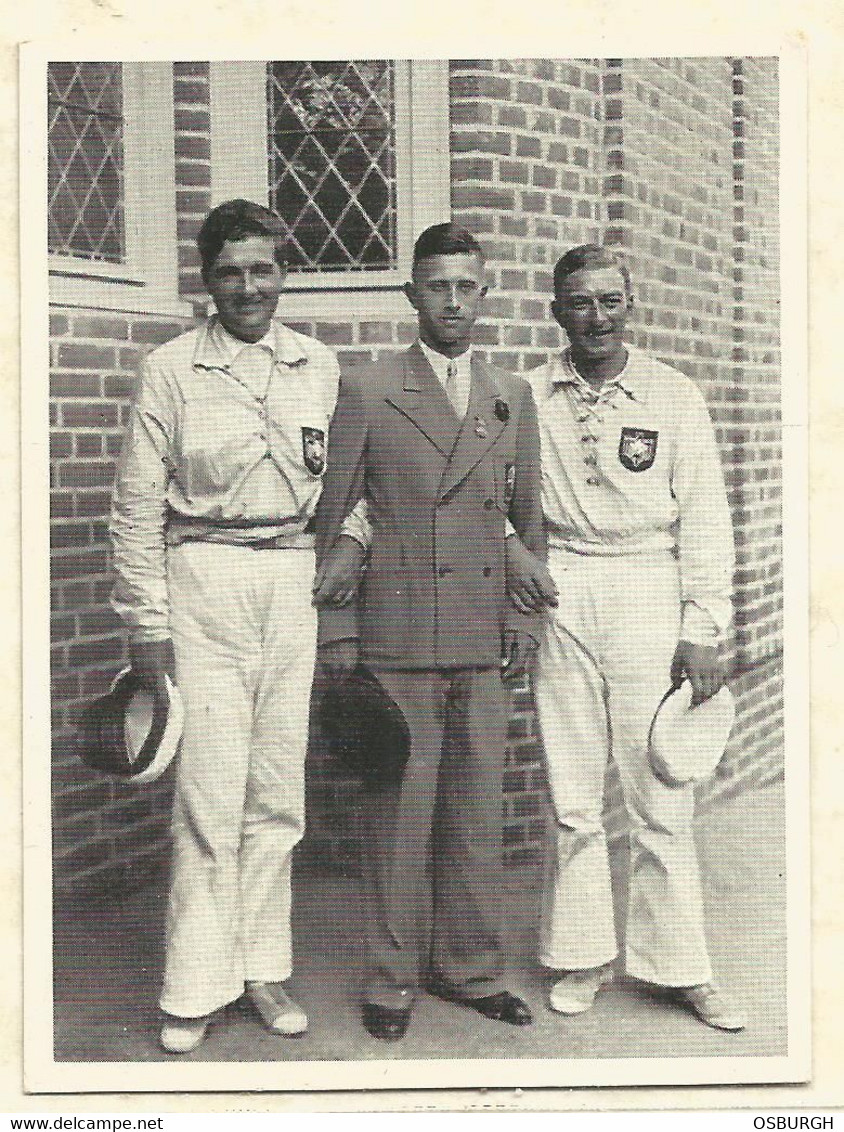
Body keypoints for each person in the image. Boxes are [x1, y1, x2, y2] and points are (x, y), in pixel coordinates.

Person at [110, 198, 365, 1054]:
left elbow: (353, 490)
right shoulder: (172, 370)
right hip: (205, 578)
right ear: (206, 281)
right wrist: (147, 629)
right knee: (209, 792)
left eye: (262, 269)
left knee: (275, 790)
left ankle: (262, 966)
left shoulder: (318, 366)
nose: (248, 286)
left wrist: (351, 549)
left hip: (292, 580)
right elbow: (136, 508)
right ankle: (195, 983)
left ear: (282, 274)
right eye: (230, 271)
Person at [313, 222, 546, 1041]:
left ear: (487, 294)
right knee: (397, 821)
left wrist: (523, 616)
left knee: (477, 817)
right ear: (412, 294)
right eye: (436, 285)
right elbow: (337, 515)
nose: (453, 300)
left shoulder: (510, 394)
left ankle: (471, 970)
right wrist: (339, 635)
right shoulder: (369, 388)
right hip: (397, 636)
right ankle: (391, 980)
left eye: (467, 285)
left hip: (483, 639)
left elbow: (527, 521)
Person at [506, 244, 745, 1031]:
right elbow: (498, 503)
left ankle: (679, 966)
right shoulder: (527, 394)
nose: (596, 317)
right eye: (580, 302)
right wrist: (522, 572)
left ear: (629, 306)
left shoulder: (673, 396)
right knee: (573, 791)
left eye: (610, 301)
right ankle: (582, 956)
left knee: (660, 786)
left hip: (648, 579)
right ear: (556, 311)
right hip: (565, 586)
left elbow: (706, 518)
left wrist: (702, 626)